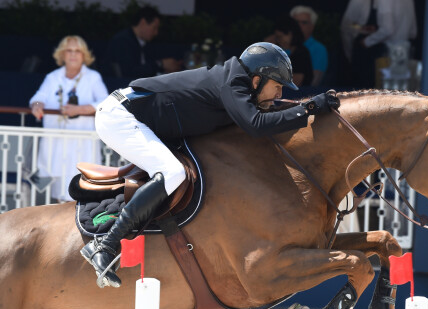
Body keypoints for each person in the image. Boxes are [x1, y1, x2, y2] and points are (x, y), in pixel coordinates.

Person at [81, 42, 340, 288]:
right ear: (257, 79)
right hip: (120, 117)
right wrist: (308, 108)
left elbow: (265, 115)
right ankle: (104, 245)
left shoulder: (239, 82)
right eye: (278, 86)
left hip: (140, 117)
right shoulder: (232, 84)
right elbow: (257, 125)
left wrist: (308, 108)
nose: (280, 93)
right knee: (173, 173)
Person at [29, 35, 109, 202]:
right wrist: (37, 105)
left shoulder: (92, 77)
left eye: (77, 51)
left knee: (81, 188)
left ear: (84, 55)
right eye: (69, 51)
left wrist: (81, 109)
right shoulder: (53, 77)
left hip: (82, 141)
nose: (73, 55)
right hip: (57, 142)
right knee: (59, 190)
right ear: (62, 54)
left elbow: (106, 102)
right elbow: (38, 97)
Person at [340, 0, 417, 88]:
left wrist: (366, 41)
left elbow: (387, 30)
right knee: (398, 93)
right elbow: (413, 32)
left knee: (377, 92)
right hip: (403, 54)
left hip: (384, 54)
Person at [106, 6, 182, 79]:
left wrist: (164, 69)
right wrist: (160, 64)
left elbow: (145, 70)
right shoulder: (122, 41)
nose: (156, 33)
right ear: (143, 22)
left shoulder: (141, 43)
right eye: (154, 28)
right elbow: (130, 73)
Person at [269, 15, 314, 87]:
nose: (279, 41)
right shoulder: (286, 53)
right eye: (277, 38)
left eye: (280, 37)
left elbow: (295, 82)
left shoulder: (301, 53)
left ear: (291, 34)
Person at [290, 5, 329, 86]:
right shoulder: (278, 45)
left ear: (312, 26)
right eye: (296, 22)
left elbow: (313, 82)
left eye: (304, 22)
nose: (299, 26)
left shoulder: (319, 49)